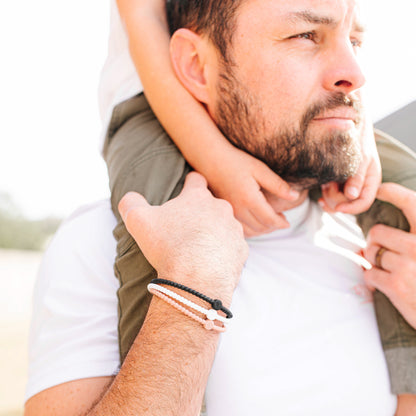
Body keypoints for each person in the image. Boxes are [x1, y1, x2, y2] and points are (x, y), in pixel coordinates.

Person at [24, 0, 416, 414]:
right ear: (196, 64)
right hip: (150, 96)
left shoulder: (375, 247)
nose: (355, 75)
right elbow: (140, 16)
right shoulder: (95, 245)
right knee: (149, 239)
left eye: (354, 41)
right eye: (304, 35)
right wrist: (189, 286)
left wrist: (361, 133)